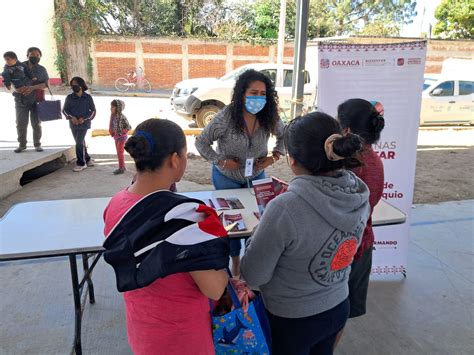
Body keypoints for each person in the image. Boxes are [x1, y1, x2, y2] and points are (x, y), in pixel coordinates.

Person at [240, 112, 370, 355]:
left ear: (292, 160)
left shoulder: (284, 208)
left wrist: (260, 231)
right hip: (338, 304)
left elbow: (253, 274)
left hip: (292, 319)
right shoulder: (359, 193)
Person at [103, 119, 229, 355]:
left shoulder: (116, 204)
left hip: (143, 333)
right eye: (184, 154)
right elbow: (214, 289)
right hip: (184, 339)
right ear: (174, 159)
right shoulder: (187, 217)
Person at [195, 69, 285, 276]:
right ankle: (235, 260)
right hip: (226, 178)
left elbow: (285, 134)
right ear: (242, 93)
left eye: (263, 94)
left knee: (256, 222)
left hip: (256, 178)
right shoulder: (226, 117)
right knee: (232, 224)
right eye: (254, 93)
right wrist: (221, 161)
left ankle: (249, 259)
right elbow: (201, 142)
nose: (258, 98)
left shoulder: (269, 116)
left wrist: (275, 156)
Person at [334, 98, 385, 345]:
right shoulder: (374, 161)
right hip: (361, 245)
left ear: (346, 130)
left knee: (331, 309)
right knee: (342, 311)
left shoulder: (347, 165)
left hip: (337, 250)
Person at [11, 47, 49, 153]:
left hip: (36, 100)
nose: (35, 57)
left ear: (40, 57)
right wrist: (18, 89)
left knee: (36, 123)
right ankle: (22, 145)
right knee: (21, 123)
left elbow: (46, 84)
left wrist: (31, 88)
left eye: (37, 55)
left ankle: (37, 144)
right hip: (21, 100)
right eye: (32, 54)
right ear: (27, 55)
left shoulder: (42, 70)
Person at [62, 76, 96, 172]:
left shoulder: (88, 97)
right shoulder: (69, 97)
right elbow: (64, 110)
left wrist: (84, 119)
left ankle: (81, 163)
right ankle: (88, 158)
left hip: (84, 124)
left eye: (75, 85)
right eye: (72, 85)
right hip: (73, 124)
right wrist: (71, 117)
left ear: (81, 85)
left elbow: (93, 111)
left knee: (79, 142)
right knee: (80, 142)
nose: (73, 87)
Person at [109, 99, 131, 175]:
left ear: (118, 108)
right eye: (111, 106)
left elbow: (128, 127)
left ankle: (121, 168)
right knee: (118, 153)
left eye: (113, 107)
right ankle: (122, 167)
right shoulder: (112, 115)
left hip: (122, 138)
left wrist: (121, 132)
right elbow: (111, 125)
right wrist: (112, 132)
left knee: (120, 153)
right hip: (116, 137)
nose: (110, 108)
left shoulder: (122, 117)